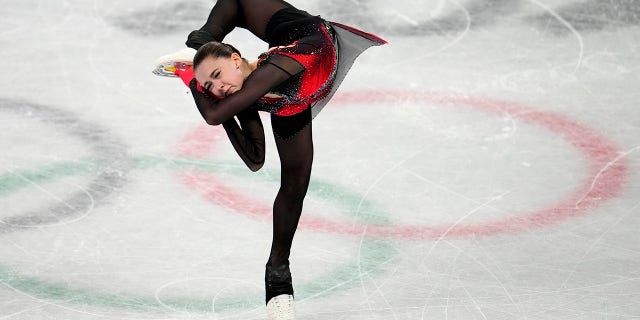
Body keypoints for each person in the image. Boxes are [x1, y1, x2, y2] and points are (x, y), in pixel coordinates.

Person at [153, 0, 386, 318]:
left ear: (236, 59)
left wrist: (193, 78)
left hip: (309, 40)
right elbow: (254, 158)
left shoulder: (278, 67)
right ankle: (278, 276)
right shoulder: (246, 93)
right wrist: (206, 86)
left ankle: (200, 42)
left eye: (218, 75)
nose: (219, 86)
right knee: (295, 185)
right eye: (212, 85)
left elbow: (213, 114)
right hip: (294, 104)